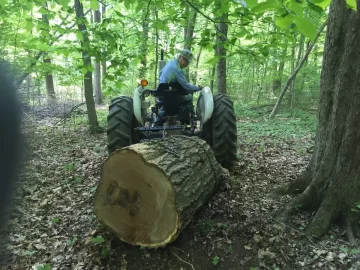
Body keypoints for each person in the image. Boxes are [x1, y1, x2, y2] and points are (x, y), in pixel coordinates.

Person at [155, 49, 201, 126]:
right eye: (186, 60)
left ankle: (160, 119)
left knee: (165, 102)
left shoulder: (169, 63)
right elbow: (187, 87)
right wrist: (198, 88)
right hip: (174, 97)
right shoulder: (177, 69)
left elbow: (160, 73)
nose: (187, 63)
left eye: (188, 62)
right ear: (180, 57)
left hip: (161, 96)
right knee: (189, 97)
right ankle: (188, 121)